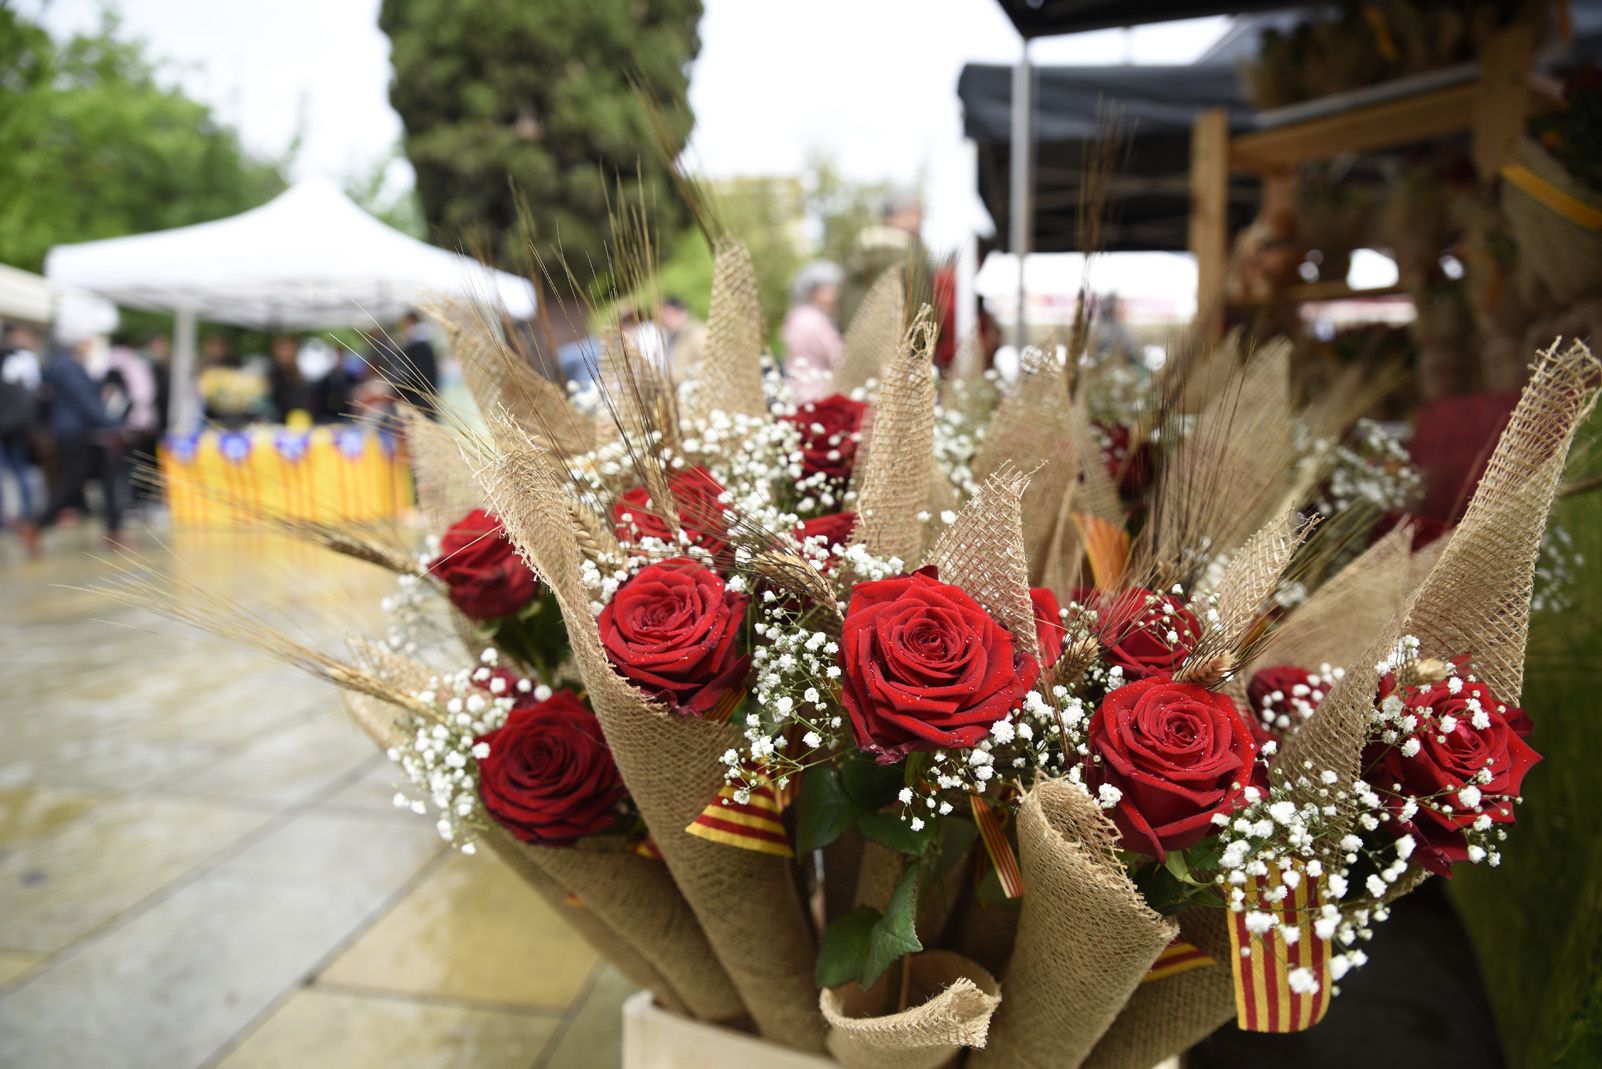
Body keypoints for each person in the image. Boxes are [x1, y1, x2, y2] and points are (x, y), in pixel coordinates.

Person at [38, 333, 125, 546]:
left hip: (86, 433)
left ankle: (113, 531)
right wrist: (113, 425)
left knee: (105, 480)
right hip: (77, 434)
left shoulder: (73, 366)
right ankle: (36, 524)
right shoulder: (68, 367)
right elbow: (84, 400)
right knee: (73, 484)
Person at [839, 186, 933, 330]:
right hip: (901, 346)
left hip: (858, 342)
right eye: (918, 214)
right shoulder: (908, 255)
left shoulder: (862, 247)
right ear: (902, 214)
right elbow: (919, 310)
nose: (921, 221)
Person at [0, 324, 43, 548]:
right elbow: (34, 390)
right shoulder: (23, 359)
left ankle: (8, 518)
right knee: (20, 471)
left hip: (7, 424)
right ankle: (27, 515)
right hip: (17, 426)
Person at [781, 261, 846, 403]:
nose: (836, 294)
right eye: (831, 289)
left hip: (793, 393)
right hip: (820, 396)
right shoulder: (818, 320)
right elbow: (839, 359)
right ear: (816, 292)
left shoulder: (794, 317)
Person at [387, 311, 440, 416]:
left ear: (409, 321)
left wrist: (396, 389)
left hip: (416, 397)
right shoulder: (426, 343)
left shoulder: (413, 344)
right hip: (428, 395)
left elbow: (406, 373)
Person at [660, 296, 708, 382]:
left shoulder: (697, 334)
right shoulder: (675, 336)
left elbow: (709, 364)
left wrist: (675, 376)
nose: (664, 321)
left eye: (669, 315)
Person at [266, 335, 313, 422]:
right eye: (281, 351)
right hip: (278, 420)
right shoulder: (273, 373)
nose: (284, 355)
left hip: (298, 419)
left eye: (286, 350)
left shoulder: (297, 374)